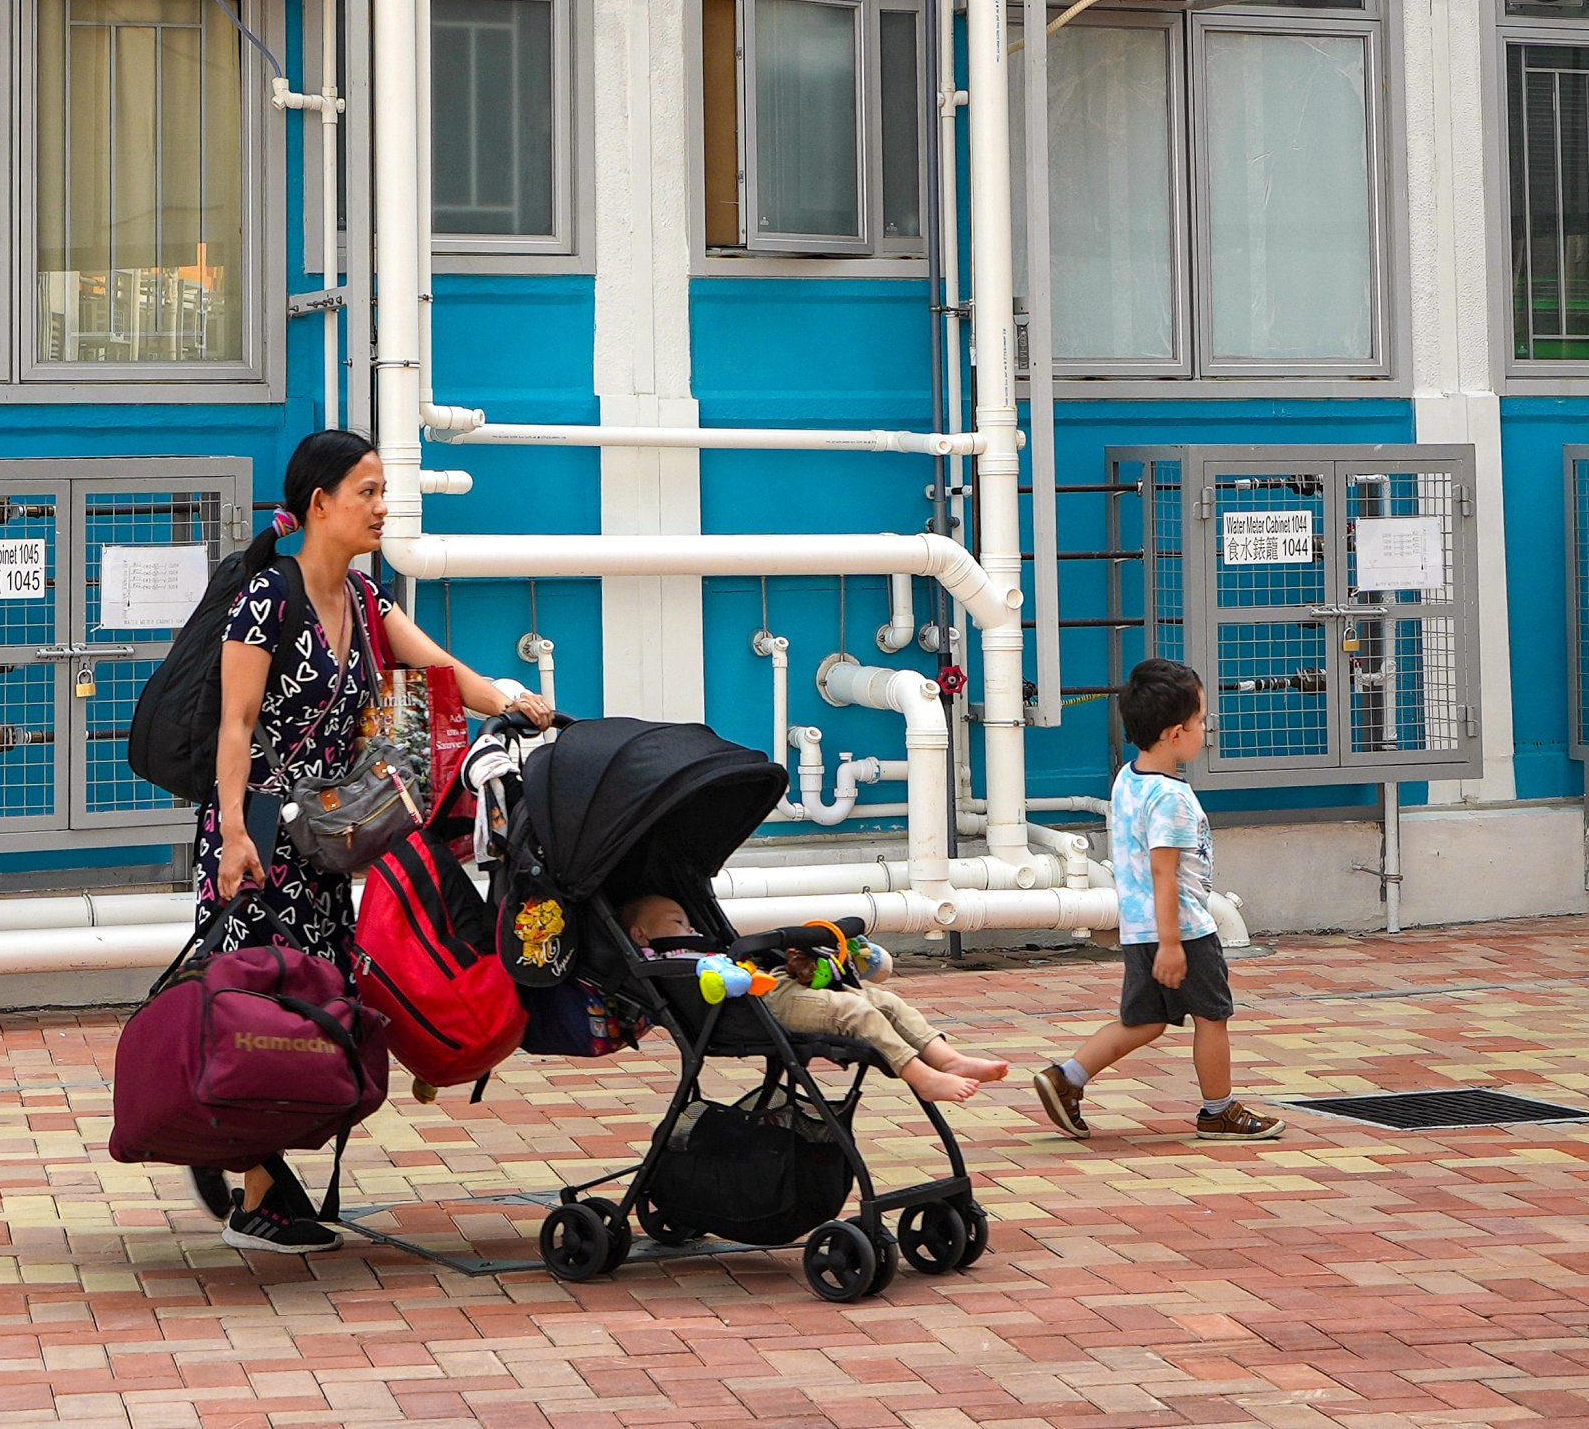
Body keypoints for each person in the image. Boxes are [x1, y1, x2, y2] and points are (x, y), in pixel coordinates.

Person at [203, 427, 560, 1254]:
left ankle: (259, 1171)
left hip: (329, 842)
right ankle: (259, 1193)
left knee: (320, 1000)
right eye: (366, 490)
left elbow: (445, 675)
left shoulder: (368, 603)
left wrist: (513, 703)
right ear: (320, 503)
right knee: (268, 1003)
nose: (381, 505)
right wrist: (228, 836)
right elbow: (236, 722)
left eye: (381, 489)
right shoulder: (267, 598)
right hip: (258, 833)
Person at [1029, 659, 1280, 1142]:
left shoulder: (1129, 778)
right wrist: (1172, 944)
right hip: (1183, 931)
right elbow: (1164, 873)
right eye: (1201, 720)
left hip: (1141, 926)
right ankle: (1219, 1111)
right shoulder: (1172, 799)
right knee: (1213, 1017)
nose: (1206, 728)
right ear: (1174, 733)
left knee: (1143, 1021)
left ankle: (1067, 1077)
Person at [616, 891, 1001, 1104]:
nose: (690, 927)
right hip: (759, 1007)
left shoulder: (699, 949)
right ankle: (921, 1076)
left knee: (882, 1000)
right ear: (640, 936)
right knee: (852, 1011)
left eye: (688, 920)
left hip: (773, 985)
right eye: (677, 922)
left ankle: (948, 1059)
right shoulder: (666, 961)